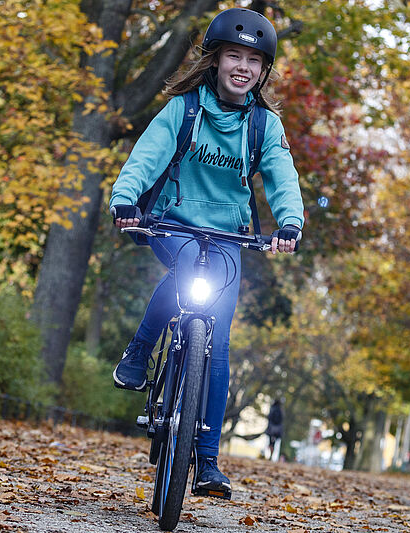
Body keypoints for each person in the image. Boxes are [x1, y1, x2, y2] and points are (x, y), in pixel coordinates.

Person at [108, 8, 304, 496]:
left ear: (263, 71)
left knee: (218, 342)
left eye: (253, 60)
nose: (243, 67)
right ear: (215, 60)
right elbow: (147, 155)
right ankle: (138, 351)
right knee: (180, 281)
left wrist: (290, 222)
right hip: (173, 224)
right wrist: (125, 199)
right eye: (234, 55)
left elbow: (282, 176)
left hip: (230, 240)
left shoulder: (264, 126)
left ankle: (209, 461)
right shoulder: (184, 109)